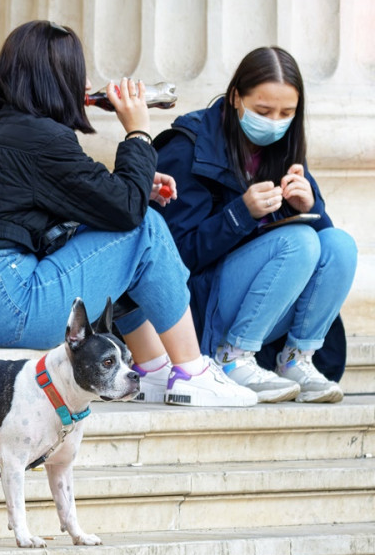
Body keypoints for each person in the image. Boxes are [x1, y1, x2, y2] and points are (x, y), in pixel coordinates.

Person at [0, 20, 257, 408]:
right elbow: (129, 213)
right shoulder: (43, 137)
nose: (84, 86)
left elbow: (89, 201)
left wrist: (130, 187)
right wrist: (138, 132)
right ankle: (193, 373)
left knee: (118, 236)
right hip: (5, 303)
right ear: (54, 79)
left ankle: (152, 372)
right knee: (145, 229)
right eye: (75, 74)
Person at [152, 46, 357, 403]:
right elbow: (172, 259)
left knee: (340, 244)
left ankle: (295, 359)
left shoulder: (285, 150)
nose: (275, 122)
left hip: (264, 310)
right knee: (299, 242)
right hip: (203, 309)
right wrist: (239, 214)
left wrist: (312, 207)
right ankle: (231, 357)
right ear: (235, 98)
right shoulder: (189, 148)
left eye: (286, 113)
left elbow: (325, 263)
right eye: (263, 111)